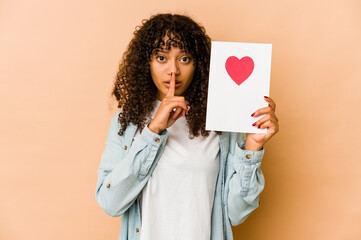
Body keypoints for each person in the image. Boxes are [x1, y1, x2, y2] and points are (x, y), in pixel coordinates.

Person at [95, 13, 279, 240]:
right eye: (161, 58)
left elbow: (235, 214)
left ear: (198, 64)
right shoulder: (128, 122)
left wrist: (252, 147)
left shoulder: (220, 125)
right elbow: (110, 203)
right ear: (147, 63)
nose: (173, 70)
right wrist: (153, 131)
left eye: (184, 59)